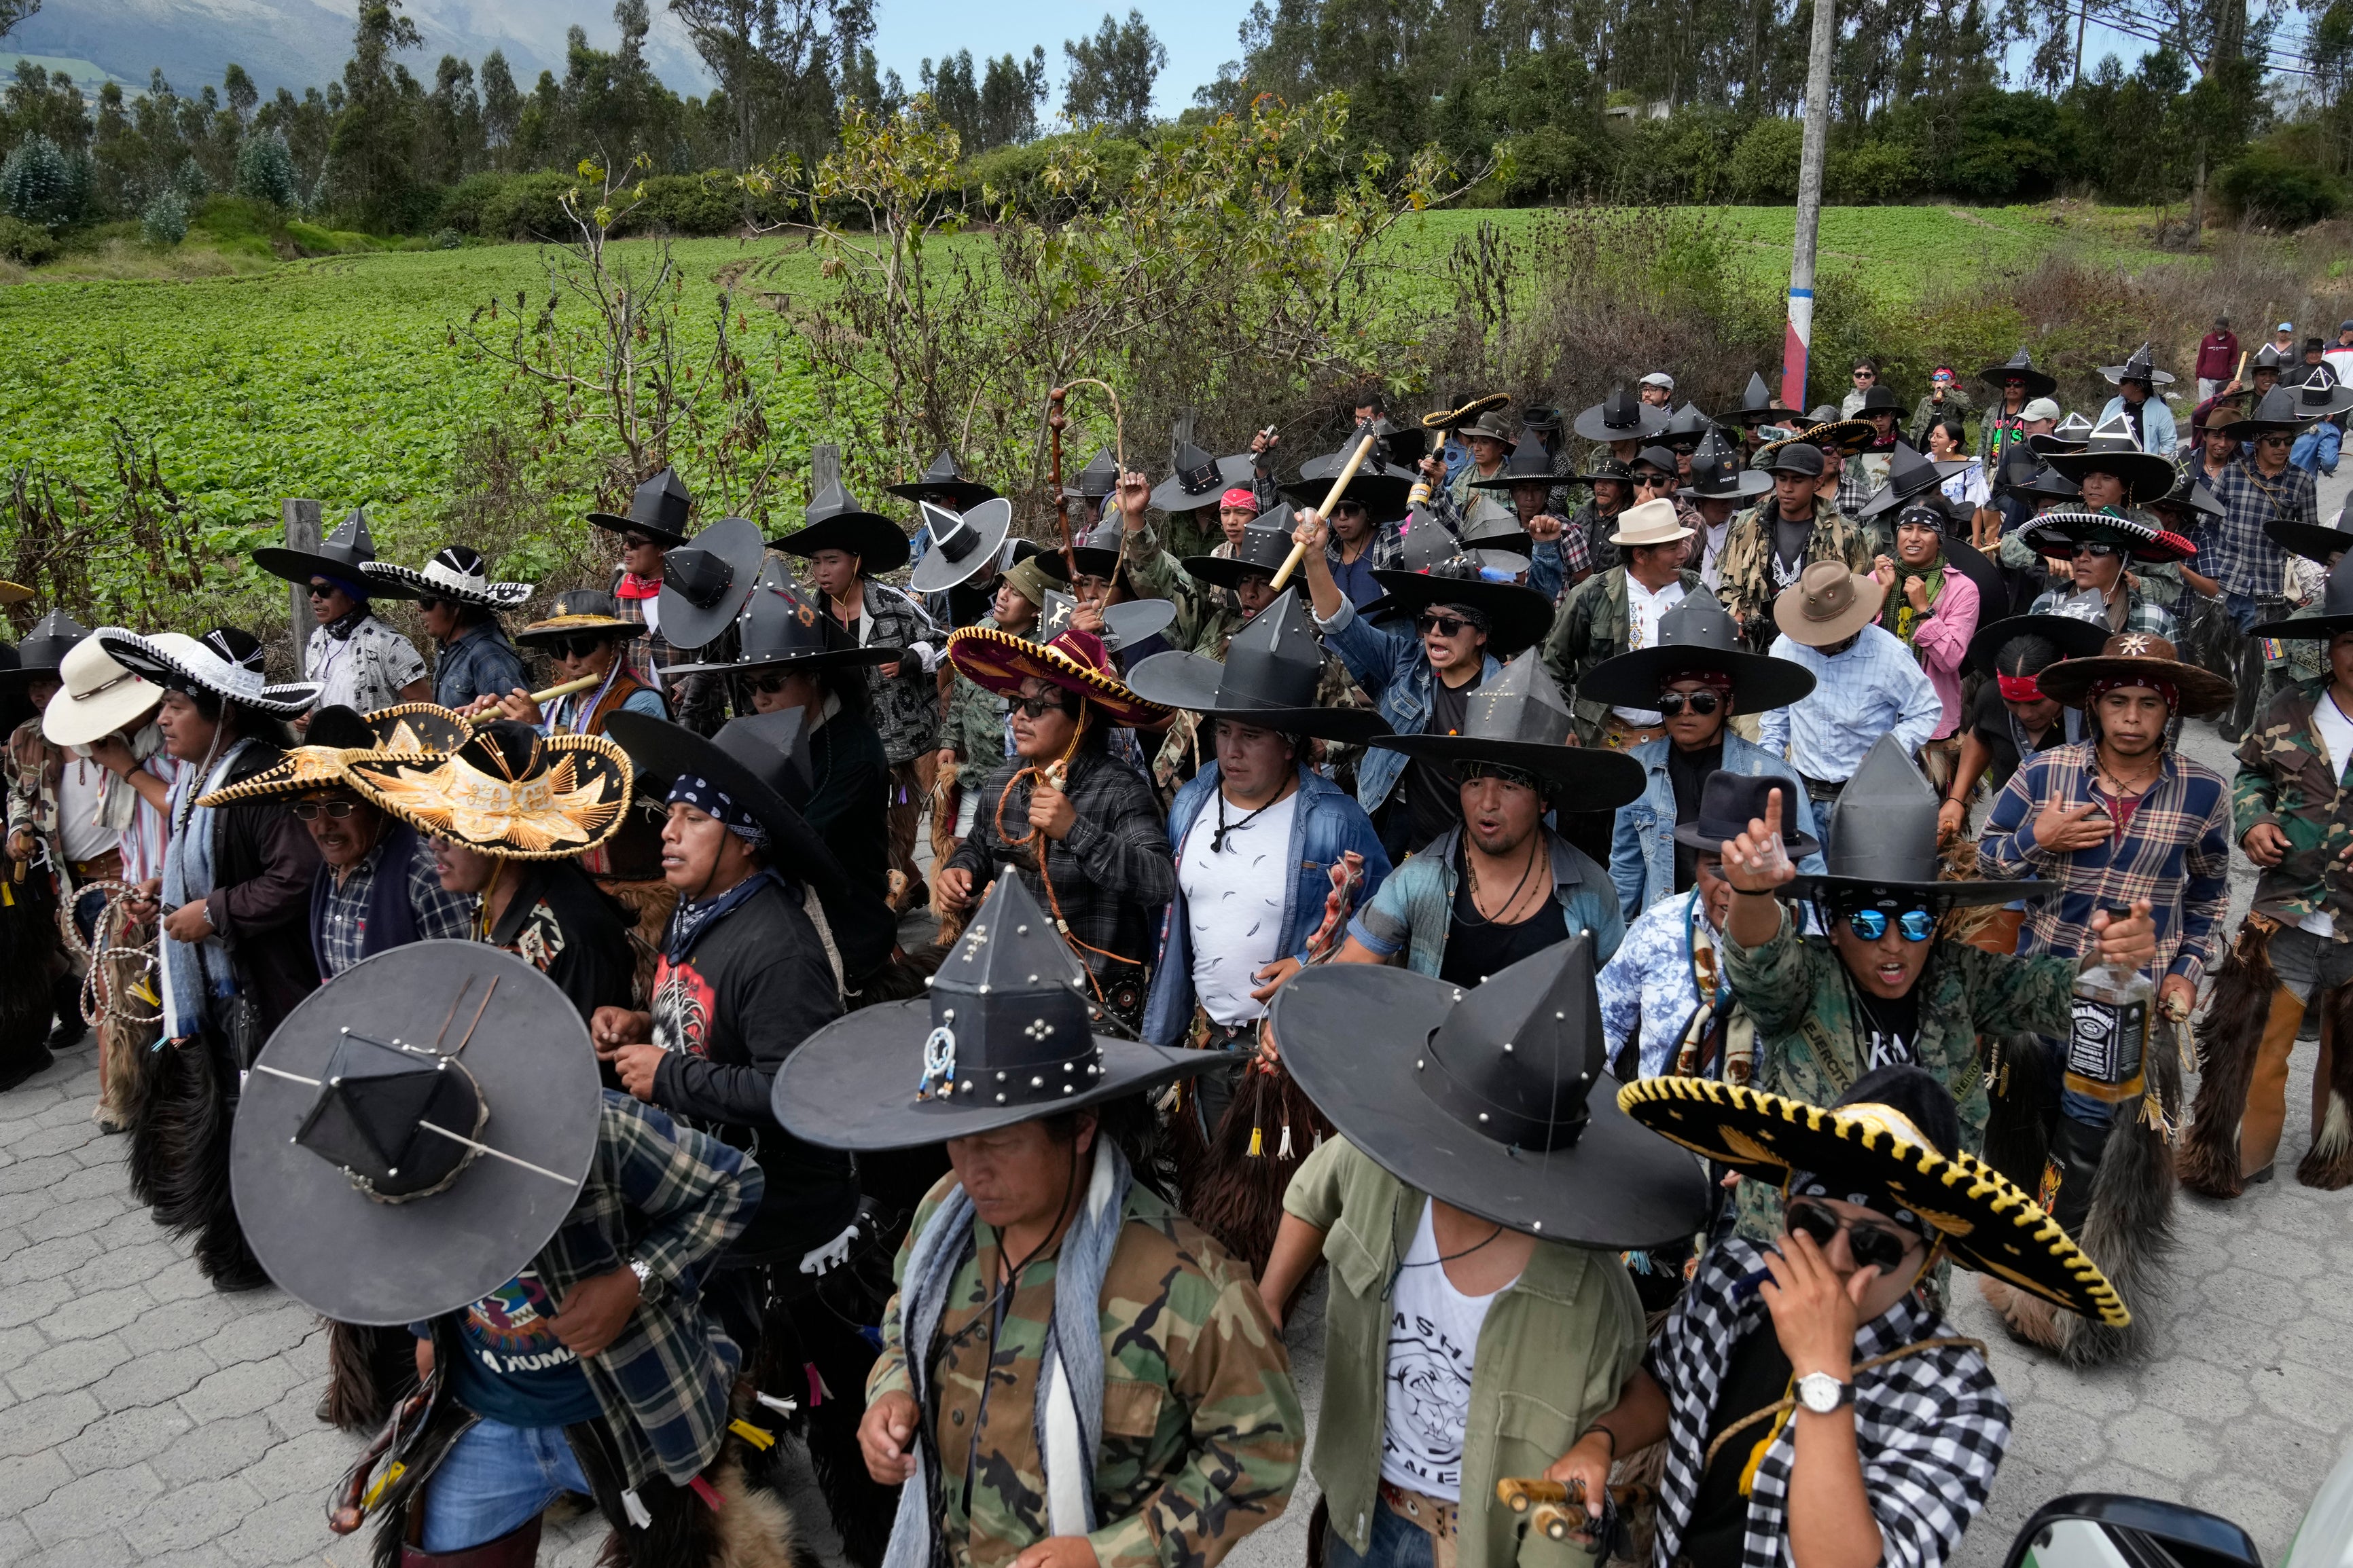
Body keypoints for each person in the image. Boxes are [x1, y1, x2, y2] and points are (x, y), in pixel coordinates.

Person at [769, 875, 1304, 1568]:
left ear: (1080, 1126)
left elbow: (1261, 1454)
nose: (971, 1168)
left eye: (1001, 1140)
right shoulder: (943, 1220)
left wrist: (1111, 1552)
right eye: (958, 1138)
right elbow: (904, 1324)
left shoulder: (1186, 1285)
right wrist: (892, 1395)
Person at [238, 943, 780, 1568]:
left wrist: (634, 1280)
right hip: (485, 1421)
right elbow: (402, 1250)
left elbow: (734, 1183)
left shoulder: (591, 1128)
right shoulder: (368, 1159)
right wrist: (425, 1328)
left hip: (630, 1408)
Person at [1257, 936, 1707, 1568]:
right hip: (1364, 1509)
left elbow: (1639, 1396)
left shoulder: (1590, 1296)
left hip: (1479, 1542)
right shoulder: (1382, 1162)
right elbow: (1312, 1192)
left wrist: (1600, 1443)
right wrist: (1270, 1300)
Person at [1586, 1065, 2131, 1568]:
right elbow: (1667, 1382)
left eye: (1876, 1244)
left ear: (1929, 1258)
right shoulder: (1733, 1276)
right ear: (1784, 1207)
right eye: (1814, 1223)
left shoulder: (1959, 1401)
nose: (1837, 1259)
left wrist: (1823, 1373)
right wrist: (1601, 1441)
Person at [1705, 736, 2157, 1241]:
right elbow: (1760, 963)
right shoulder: (1807, 981)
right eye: (1870, 923)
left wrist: (2112, 959)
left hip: (1914, 1249)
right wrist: (1753, 895)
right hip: (1800, 1241)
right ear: (1832, 923)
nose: (1895, 945)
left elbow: (2054, 993)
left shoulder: (1955, 978)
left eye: (1917, 922)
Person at [193, 701, 477, 1432]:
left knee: (436, 1259)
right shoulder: (330, 875)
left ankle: (452, 1396)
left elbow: (463, 987)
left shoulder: (418, 870)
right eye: (308, 808)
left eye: (338, 807)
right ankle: (380, 1381)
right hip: (365, 1092)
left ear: (377, 801)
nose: (321, 824)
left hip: (432, 1096)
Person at [1976, 632, 2232, 1362]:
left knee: (2102, 1153)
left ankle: (2080, 1303)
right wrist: (2037, 834)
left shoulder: (2203, 791)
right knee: (2024, 1133)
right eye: (2117, 701)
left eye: (2146, 703)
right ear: (2093, 705)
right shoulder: (2043, 773)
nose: (2129, 717)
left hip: (2132, 1009)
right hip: (2039, 995)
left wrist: (2186, 967)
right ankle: (2015, 1279)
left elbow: (2212, 890)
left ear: (2168, 711)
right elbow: (1984, 862)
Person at [96, 625, 323, 1291]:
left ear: (221, 708)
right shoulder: (210, 775)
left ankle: (292, 1246)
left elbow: (299, 872)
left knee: (272, 1119)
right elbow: (206, 869)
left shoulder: (256, 778)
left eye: (175, 705)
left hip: (269, 990)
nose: (161, 717)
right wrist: (163, 899)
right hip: (235, 989)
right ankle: (256, 1245)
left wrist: (214, 911)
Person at [2182, 555, 2353, 1201]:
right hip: (2286, 908)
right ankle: (2234, 1155)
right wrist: (2252, 822)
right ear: (2329, 648)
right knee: (2258, 1042)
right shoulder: (2287, 706)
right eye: (2348, 642)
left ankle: (2337, 1151)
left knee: (2348, 1055)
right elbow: (2251, 774)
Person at [1337, 651, 1640, 975]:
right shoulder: (1418, 880)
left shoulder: (1591, 893)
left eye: (1510, 786)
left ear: (1543, 798)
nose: (1487, 803)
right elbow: (1349, 971)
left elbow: (1617, 1003)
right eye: (1475, 782)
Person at [939, 624, 1176, 1029]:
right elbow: (980, 845)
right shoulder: (1003, 782)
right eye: (1017, 702)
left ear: (1081, 718)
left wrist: (1075, 830)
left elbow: (1158, 881)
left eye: (1036, 708)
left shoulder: (1121, 789)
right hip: (1016, 985)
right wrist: (961, 870)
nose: (1018, 716)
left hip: (1099, 1003)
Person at [1293, 509, 1551, 859]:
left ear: (1480, 635)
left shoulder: (1507, 691)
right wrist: (1314, 559)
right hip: (1390, 822)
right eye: (1427, 622)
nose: (1434, 634)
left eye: (1450, 626)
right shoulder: (1405, 661)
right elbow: (1342, 622)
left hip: (1463, 840)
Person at [346, 717, 638, 1022]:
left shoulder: (568, 939)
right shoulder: (498, 898)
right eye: (432, 830)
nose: (434, 844)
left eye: (450, 834)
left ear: (502, 843)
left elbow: (567, 1059)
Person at [663, 560, 901, 910]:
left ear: (815, 676)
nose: (759, 698)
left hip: (845, 912)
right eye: (750, 685)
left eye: (772, 683)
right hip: (769, 900)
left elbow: (806, 837)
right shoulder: (758, 736)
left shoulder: (857, 751)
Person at [18, 625, 177, 1121]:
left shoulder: (162, 746)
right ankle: (129, 1096)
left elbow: (183, 806)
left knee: (139, 996)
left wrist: (127, 768)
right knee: (120, 993)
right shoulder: (57, 743)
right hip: (123, 886)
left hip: (167, 891)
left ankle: (137, 1098)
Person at [1584, 598, 1824, 915]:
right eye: (1671, 701)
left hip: (1744, 935)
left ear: (1729, 705)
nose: (1686, 711)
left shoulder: (1770, 776)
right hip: (1665, 938)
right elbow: (1626, 872)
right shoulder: (1640, 768)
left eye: (1703, 701)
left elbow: (1807, 874)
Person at [1602, 771, 1817, 1084]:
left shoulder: (1817, 947)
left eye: (1753, 867)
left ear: (1787, 871)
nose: (1733, 887)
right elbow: (1604, 1019)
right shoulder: (1658, 928)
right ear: (1695, 866)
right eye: (1717, 865)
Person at [3, 613, 139, 1080]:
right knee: (107, 986)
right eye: (33, 685)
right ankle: (132, 1083)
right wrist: (18, 828)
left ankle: (120, 1089)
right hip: (70, 882)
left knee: (122, 986)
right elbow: (19, 794)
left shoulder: (122, 731)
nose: (40, 694)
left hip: (124, 873)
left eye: (49, 682)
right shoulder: (26, 738)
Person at [1755, 564, 1941, 845]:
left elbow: (1926, 709)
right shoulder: (1785, 648)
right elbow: (1777, 714)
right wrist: (1767, 769)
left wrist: (1888, 751)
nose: (1818, 642)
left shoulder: (1890, 655)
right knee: (1808, 884)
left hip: (1867, 797)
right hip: (1803, 795)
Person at [1541, 498, 1711, 748]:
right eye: (1672, 547)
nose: (1684, 553)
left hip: (1678, 743)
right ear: (1641, 555)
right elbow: (1554, 667)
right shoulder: (1592, 595)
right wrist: (1562, 724)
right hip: (1603, 737)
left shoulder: (1695, 591)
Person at [2210, 386, 2322, 740]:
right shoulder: (2232, 474)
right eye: (2274, 441)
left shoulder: (2302, 482)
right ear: (2258, 441)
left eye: (2288, 442)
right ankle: (2214, 701)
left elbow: (2310, 539)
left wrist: (2309, 584)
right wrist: (2211, 566)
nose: (2282, 449)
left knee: (2258, 659)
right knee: (2219, 648)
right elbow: (2208, 521)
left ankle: (2243, 723)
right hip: (2228, 578)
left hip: (2272, 587)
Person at [1935, 615, 2106, 845]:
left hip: (2081, 832)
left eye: (2037, 703)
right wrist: (1956, 799)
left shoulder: (2093, 715)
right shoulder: (1991, 698)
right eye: (2012, 703)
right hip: (2010, 832)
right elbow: (1980, 736)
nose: (2025, 714)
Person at [251, 508, 431, 716]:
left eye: (324, 590)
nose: (314, 598)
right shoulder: (318, 639)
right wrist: (309, 717)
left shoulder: (388, 643)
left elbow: (423, 703)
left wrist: (379, 736)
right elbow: (321, 698)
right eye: (311, 589)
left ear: (351, 594)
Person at [1714, 441, 1878, 654]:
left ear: (1817, 483)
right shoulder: (1748, 524)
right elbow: (1729, 582)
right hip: (1756, 647)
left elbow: (1857, 591)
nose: (1787, 488)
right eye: (1782, 479)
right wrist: (1735, 614)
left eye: (1798, 480)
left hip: (1816, 648)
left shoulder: (1845, 534)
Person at [1871, 504, 1982, 795]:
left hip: (1929, 725)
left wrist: (1924, 609)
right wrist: (1882, 592)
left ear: (1940, 539)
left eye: (1926, 530)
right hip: (1873, 713)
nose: (1914, 537)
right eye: (1907, 529)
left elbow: (1951, 659)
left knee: (1929, 816)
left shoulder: (1962, 589)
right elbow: (1852, 641)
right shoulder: (1877, 580)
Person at [361, 546, 532, 711]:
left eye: (427, 601)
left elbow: (516, 731)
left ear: (456, 607)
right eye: (419, 597)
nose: (419, 608)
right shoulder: (452, 647)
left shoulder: (489, 657)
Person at [588, 465, 696, 695]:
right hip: (639, 707)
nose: (626, 547)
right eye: (627, 539)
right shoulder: (620, 587)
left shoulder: (692, 588)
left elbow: (717, 649)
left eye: (636, 542)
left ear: (662, 548)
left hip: (691, 711)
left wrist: (689, 686)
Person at [2017, 507, 2185, 638]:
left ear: (2124, 561)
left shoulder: (2155, 621)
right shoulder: (2047, 606)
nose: (2083, 558)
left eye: (2098, 549)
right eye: (2077, 549)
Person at [1976, 348, 2059, 463]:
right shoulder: (1994, 410)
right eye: (2008, 384)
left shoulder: (2034, 410)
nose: (2012, 388)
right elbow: (1983, 441)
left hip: (2023, 465)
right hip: (1993, 467)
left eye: (2018, 384)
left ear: (2027, 388)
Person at [2097, 343, 2180, 456]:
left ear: (2139, 386)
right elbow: (2098, 434)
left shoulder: (2161, 411)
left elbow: (2168, 445)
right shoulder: (2113, 405)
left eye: (2124, 382)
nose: (2120, 385)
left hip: (2144, 468)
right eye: (2121, 380)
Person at [1575, 386, 1670, 470]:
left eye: (1618, 435)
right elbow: (1587, 484)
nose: (1612, 439)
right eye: (1610, 433)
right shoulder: (1598, 454)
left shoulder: (1647, 456)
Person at [2290, 362, 2353, 479]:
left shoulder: (2285, 422)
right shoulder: (2328, 431)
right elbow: (2329, 461)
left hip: (2272, 479)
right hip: (2303, 482)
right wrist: (2324, 467)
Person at [1908, 366, 1973, 445]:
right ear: (1933, 384)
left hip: (1949, 450)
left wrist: (1945, 388)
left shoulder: (1958, 397)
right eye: (1936, 377)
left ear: (1952, 382)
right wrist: (1911, 445)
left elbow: (1967, 407)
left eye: (1945, 377)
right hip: (1924, 450)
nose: (1940, 379)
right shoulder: (1925, 401)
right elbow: (1914, 427)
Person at [2196, 316, 2240, 403]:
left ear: (2226, 328)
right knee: (2205, 405)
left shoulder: (2232, 340)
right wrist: (2198, 377)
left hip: (2222, 379)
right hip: (2205, 378)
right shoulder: (2207, 339)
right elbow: (2201, 358)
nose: (2218, 331)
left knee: (2220, 404)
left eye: (2221, 329)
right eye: (2217, 328)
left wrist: (2230, 378)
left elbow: (2233, 359)